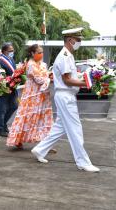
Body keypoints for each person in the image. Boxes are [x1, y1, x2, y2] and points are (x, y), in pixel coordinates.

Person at [31, 27, 100, 172]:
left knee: (60, 127)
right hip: (65, 95)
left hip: (66, 95)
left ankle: (40, 149)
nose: (79, 42)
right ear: (70, 40)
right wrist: (85, 83)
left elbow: (70, 78)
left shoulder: (68, 55)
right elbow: (67, 80)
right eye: (78, 40)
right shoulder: (64, 56)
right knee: (75, 129)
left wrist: (84, 79)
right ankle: (83, 162)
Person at [6, 44, 53, 149]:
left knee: (43, 118)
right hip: (32, 96)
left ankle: (45, 144)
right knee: (27, 117)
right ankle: (18, 140)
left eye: (42, 52)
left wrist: (49, 77)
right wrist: (50, 78)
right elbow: (39, 79)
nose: (41, 54)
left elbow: (45, 76)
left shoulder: (43, 64)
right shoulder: (31, 64)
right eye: (39, 52)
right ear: (32, 53)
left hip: (42, 95)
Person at [0, 42, 18, 137]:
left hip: (12, 88)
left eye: (12, 50)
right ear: (4, 51)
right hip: (3, 89)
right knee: (1, 109)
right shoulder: (0, 61)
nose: (12, 52)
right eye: (10, 51)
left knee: (14, 106)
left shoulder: (11, 59)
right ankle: (0, 128)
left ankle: (2, 123)